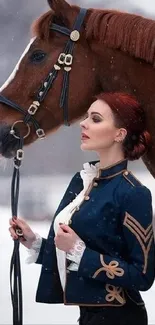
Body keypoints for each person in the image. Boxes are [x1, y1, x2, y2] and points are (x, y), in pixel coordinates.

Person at [9, 92, 155, 325]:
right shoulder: (82, 180)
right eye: (86, 117)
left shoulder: (133, 193)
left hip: (122, 318)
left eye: (96, 119)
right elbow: (86, 247)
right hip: (88, 317)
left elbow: (143, 275)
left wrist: (79, 250)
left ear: (120, 133)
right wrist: (35, 243)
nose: (84, 123)